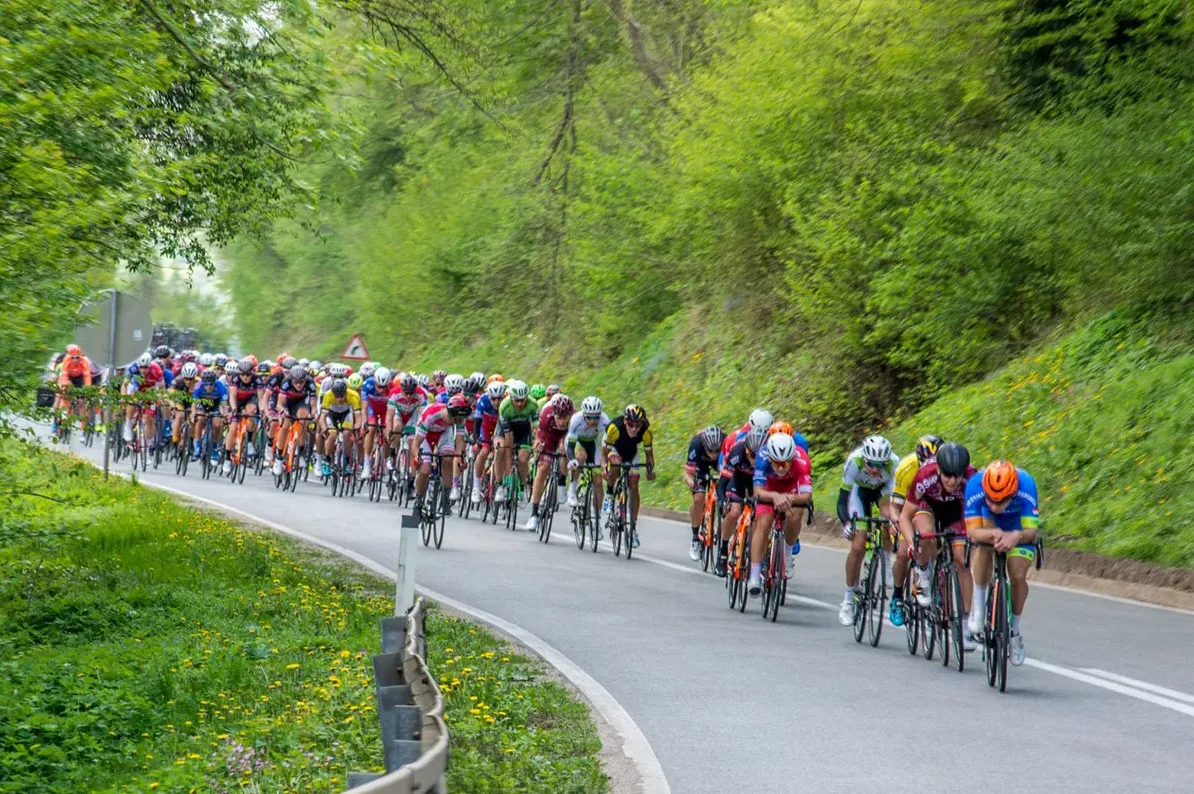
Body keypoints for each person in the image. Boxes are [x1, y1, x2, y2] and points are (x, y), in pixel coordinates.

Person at [900, 441, 978, 649]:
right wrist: (911, 544)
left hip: (955, 510)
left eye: (957, 476)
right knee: (926, 536)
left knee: (963, 562)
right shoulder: (925, 476)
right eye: (947, 476)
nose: (953, 481)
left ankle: (965, 623)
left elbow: (977, 515)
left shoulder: (972, 478)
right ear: (938, 469)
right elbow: (905, 517)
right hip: (928, 506)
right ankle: (923, 573)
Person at [965, 460, 1040, 666]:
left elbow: (1031, 532)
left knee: (1017, 575)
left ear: (1012, 493)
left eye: (1001, 501)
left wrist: (1015, 536)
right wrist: (991, 533)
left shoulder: (1026, 484)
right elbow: (972, 533)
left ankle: (1014, 633)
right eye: (991, 500)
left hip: (1017, 527)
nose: (995, 506)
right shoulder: (974, 485)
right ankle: (978, 608)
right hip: (988, 524)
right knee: (982, 548)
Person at [836, 435, 901, 626]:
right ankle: (848, 599)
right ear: (864, 459)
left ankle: (886, 560)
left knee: (888, 516)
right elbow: (842, 499)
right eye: (871, 464)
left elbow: (898, 499)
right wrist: (847, 523)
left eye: (880, 465)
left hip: (884, 490)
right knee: (858, 546)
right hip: (859, 493)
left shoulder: (895, 465)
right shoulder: (854, 462)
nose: (875, 469)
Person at [887, 434, 943, 625]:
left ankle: (938, 589)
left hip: (934, 506)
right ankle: (897, 596)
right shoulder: (907, 468)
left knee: (936, 544)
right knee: (903, 553)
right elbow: (895, 506)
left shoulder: (947, 469)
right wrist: (895, 521)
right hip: (909, 508)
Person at [748, 432, 812, 596]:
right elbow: (757, 492)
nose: (781, 468)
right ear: (770, 459)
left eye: (786, 463)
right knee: (763, 522)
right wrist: (775, 496)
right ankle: (754, 576)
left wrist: (789, 498)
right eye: (777, 463)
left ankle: (788, 553)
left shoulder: (802, 461)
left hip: (791, 488)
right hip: (769, 488)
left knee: (796, 514)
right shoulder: (762, 458)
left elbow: (806, 496)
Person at [714, 426, 767, 577]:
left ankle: (759, 556)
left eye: (759, 456)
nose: (755, 460)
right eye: (752, 455)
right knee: (734, 512)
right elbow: (722, 483)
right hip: (738, 480)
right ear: (746, 451)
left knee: (761, 517)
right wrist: (723, 501)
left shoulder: (769, 460)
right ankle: (723, 552)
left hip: (759, 483)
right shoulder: (737, 452)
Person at [601, 404, 656, 548]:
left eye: (637, 425)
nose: (633, 429)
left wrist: (649, 470)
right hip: (613, 447)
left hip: (631, 451)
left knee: (634, 485)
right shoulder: (614, 428)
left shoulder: (646, 431)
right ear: (625, 421)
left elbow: (649, 455)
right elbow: (603, 454)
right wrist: (604, 467)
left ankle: (632, 528)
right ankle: (610, 493)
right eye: (631, 424)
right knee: (616, 463)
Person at [525, 395, 575, 532]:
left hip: (565, 436)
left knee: (564, 448)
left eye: (565, 417)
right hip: (549, 435)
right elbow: (540, 436)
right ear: (554, 414)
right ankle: (534, 514)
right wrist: (538, 444)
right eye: (559, 417)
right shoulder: (546, 415)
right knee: (543, 468)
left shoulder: (575, 419)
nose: (562, 421)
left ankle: (562, 482)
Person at [413, 393, 470, 509]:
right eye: (458, 419)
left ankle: (445, 498)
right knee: (425, 470)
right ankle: (418, 499)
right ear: (452, 415)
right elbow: (416, 443)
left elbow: (459, 441)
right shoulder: (432, 414)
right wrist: (416, 456)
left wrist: (459, 458)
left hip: (443, 434)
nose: (460, 422)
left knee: (449, 458)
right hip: (425, 436)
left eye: (462, 419)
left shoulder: (459, 418)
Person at [684, 426, 725, 561]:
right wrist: (692, 484)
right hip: (700, 466)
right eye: (710, 451)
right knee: (698, 499)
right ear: (704, 446)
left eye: (716, 451)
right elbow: (688, 474)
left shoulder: (726, 442)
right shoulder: (696, 444)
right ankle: (695, 538)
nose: (713, 454)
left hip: (719, 464)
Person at [565, 396, 610, 513]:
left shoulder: (605, 420)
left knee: (598, 482)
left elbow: (608, 443)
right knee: (580, 457)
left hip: (592, 443)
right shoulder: (576, 420)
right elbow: (570, 446)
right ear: (584, 414)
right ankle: (572, 489)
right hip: (577, 442)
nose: (593, 421)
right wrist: (572, 460)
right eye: (589, 417)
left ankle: (597, 518)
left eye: (596, 417)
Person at [469, 380, 505, 503]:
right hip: (486, 428)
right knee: (484, 451)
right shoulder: (482, 401)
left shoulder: (506, 403)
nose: (497, 402)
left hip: (500, 429)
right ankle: (476, 486)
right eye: (493, 399)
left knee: (501, 451)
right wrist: (476, 439)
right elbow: (477, 423)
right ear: (489, 397)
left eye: (499, 399)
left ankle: (499, 483)